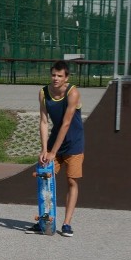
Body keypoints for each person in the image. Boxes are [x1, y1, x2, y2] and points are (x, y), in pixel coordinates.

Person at [26, 60, 84, 237]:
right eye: (53, 75)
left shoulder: (72, 93)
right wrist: (45, 149)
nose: (56, 78)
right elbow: (43, 121)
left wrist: (53, 152)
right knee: (45, 179)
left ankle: (67, 224)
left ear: (66, 78)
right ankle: (45, 219)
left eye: (60, 76)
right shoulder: (43, 92)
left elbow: (66, 124)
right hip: (53, 143)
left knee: (72, 181)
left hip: (74, 143)